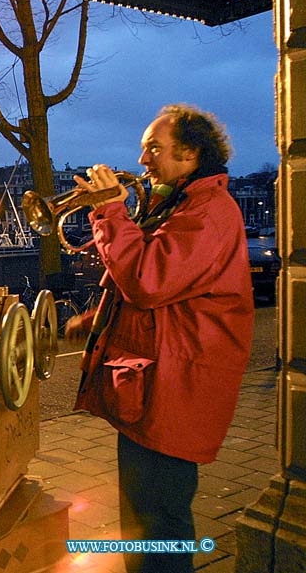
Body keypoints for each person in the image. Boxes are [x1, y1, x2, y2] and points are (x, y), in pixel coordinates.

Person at [69, 104, 254, 573]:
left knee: (160, 522)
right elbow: (164, 291)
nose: (142, 158)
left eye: (154, 147)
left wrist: (110, 211)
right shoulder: (178, 203)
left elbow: (149, 280)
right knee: (141, 519)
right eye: (142, 147)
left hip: (175, 388)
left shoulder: (210, 211)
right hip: (153, 384)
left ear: (191, 153)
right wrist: (96, 319)